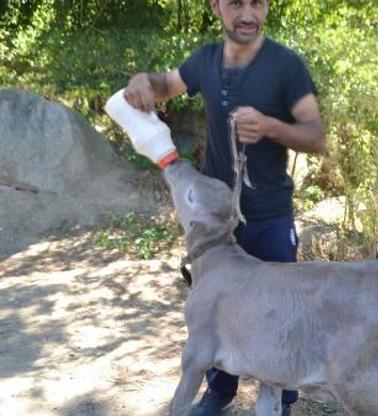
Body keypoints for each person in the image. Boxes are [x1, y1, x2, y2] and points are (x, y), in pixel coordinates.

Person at [123, 0, 325, 415]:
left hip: (268, 216)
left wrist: (271, 127)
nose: (247, 13)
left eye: (258, 3)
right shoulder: (205, 60)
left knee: (278, 316)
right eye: (236, 3)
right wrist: (142, 80)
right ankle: (219, 392)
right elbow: (164, 84)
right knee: (217, 309)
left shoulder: (287, 65)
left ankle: (281, 400)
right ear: (216, 6)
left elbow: (315, 136)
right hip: (214, 222)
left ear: (267, 8)